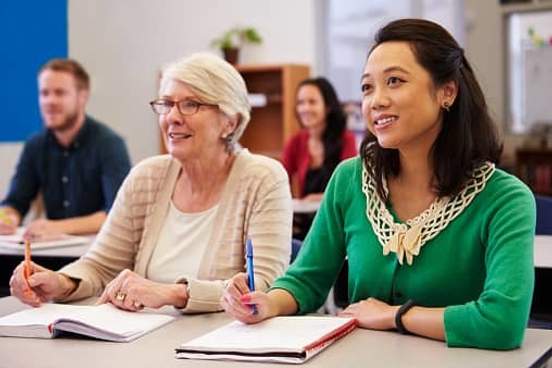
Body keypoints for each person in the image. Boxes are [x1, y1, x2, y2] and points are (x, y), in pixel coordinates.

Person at [221, 19, 536, 350]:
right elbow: (306, 280)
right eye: (367, 87)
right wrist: (267, 303)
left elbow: (501, 322)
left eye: (395, 81)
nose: (376, 101)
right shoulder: (350, 179)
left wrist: (394, 316)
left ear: (447, 91)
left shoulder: (505, 199)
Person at [9, 53, 292, 313]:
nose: (172, 117)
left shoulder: (263, 178)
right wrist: (61, 282)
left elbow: (262, 287)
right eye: (166, 104)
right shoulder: (147, 177)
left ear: (229, 122)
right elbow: (100, 265)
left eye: (191, 104)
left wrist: (173, 294)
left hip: (221, 346)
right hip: (141, 338)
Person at [0, 59, 131, 239]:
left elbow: (117, 214)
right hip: (50, 252)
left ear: (82, 97)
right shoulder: (35, 145)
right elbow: (15, 202)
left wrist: (57, 227)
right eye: (44, 93)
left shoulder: (109, 144)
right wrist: (8, 217)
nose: (50, 101)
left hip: (97, 254)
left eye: (60, 93)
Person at [282, 77, 357, 240]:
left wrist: (322, 197)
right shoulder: (295, 142)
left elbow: (351, 187)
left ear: (328, 106)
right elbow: (280, 180)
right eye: (301, 102)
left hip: (338, 223)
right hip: (305, 225)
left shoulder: (346, 140)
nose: (305, 108)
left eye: (312, 102)